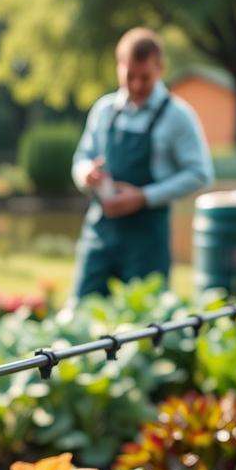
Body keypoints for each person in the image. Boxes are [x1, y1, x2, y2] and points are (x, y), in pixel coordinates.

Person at [71, 27, 214, 297]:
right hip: (100, 232)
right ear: (119, 67)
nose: (136, 85)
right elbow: (81, 158)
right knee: (81, 317)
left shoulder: (178, 115)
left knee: (144, 327)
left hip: (147, 240)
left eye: (145, 78)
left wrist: (143, 197)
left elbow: (200, 173)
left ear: (160, 68)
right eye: (129, 77)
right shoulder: (103, 110)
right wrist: (85, 175)